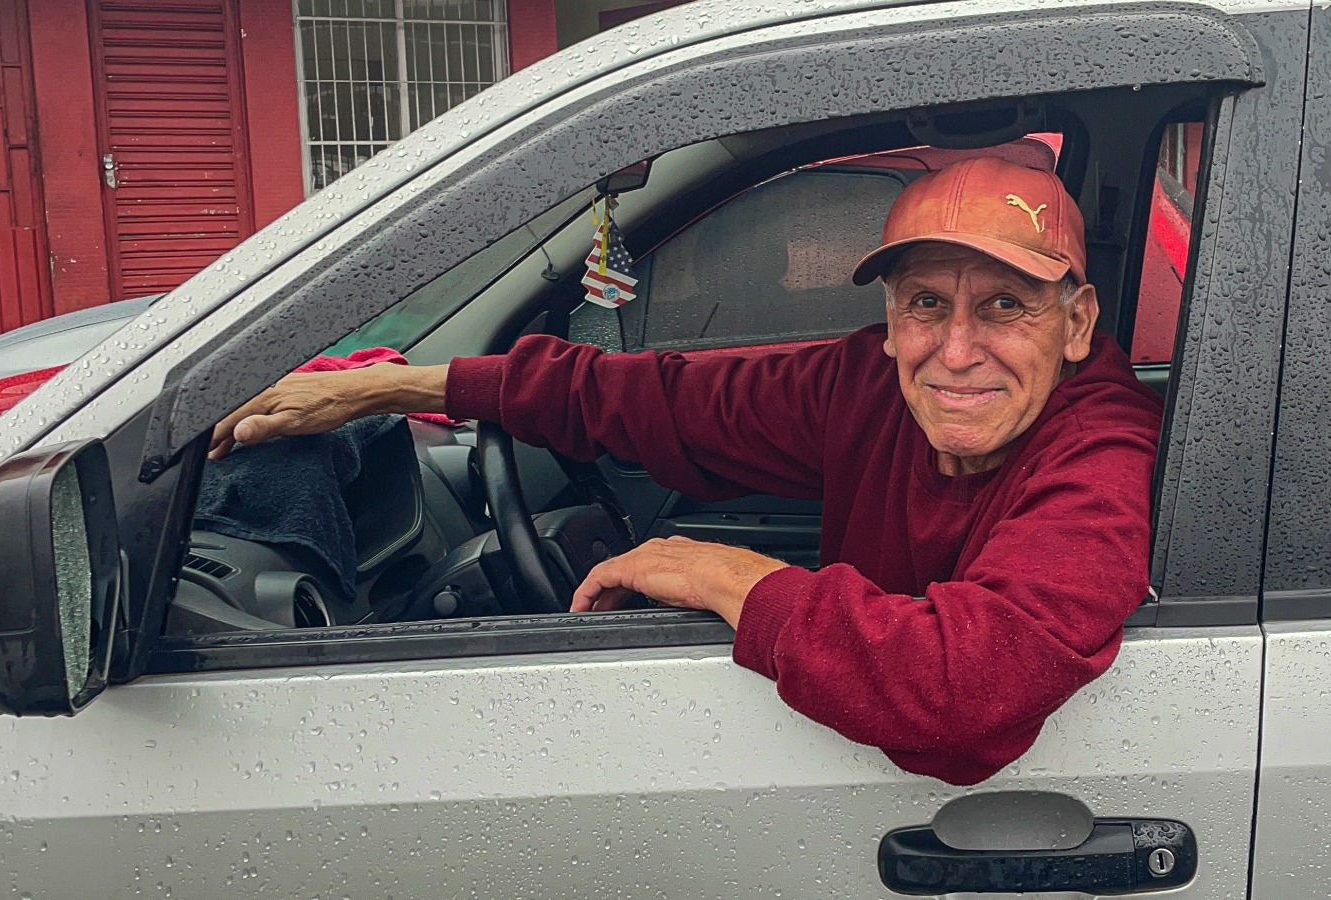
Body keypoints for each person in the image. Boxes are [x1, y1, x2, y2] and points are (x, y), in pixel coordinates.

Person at [209, 156, 1162, 786]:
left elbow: (961, 689)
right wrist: (388, 391)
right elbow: (658, 398)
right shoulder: (865, 382)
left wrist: (719, 572)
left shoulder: (1099, 445)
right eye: (925, 304)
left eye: (1005, 306)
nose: (955, 350)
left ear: (1076, 323)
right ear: (891, 319)